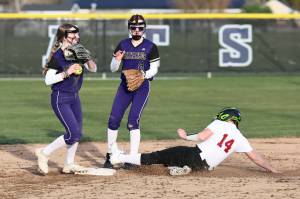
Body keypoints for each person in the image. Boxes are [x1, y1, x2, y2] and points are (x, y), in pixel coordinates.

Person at [109, 107, 280, 175]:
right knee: (173, 160)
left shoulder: (220, 123)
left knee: (156, 156)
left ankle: (118, 157)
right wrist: (272, 169)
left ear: (226, 116)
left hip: (194, 155)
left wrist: (185, 136)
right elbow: (256, 158)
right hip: (205, 168)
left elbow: (202, 137)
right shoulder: (240, 138)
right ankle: (183, 169)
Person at [35, 23, 97, 175]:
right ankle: (44, 153)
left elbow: (93, 68)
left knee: (77, 132)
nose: (77, 36)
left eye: (77, 33)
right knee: (73, 133)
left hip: (74, 97)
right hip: (60, 98)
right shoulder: (57, 56)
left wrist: (88, 58)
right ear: (64, 37)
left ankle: (69, 164)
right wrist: (67, 72)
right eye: (73, 34)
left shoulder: (78, 51)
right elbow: (48, 80)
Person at [103, 14, 160, 168]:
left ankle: (132, 158)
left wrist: (144, 75)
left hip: (142, 87)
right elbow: (113, 68)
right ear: (129, 29)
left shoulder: (151, 46)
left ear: (144, 29)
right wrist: (117, 60)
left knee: (132, 121)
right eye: (133, 28)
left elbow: (154, 68)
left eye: (140, 28)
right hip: (124, 87)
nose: (136, 30)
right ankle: (110, 155)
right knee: (113, 119)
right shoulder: (122, 44)